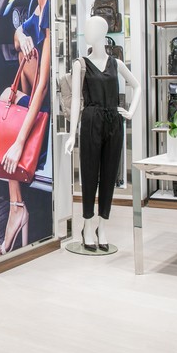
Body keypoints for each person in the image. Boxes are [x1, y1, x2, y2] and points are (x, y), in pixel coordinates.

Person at [65, 16, 141, 252]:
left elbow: (137, 85)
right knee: (89, 175)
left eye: (93, 27)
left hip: (113, 121)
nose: (88, 31)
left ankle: (103, 225)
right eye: (87, 27)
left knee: (109, 175)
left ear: (104, 32)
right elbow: (76, 100)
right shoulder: (80, 64)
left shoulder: (116, 63)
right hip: (90, 120)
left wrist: (130, 112)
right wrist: (72, 134)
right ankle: (88, 225)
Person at [0, 0, 51, 255]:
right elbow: (18, 39)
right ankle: (17, 207)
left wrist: (18, 143)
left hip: (42, 112)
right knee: (6, 92)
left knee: (7, 100)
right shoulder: (35, 5)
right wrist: (21, 34)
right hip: (33, 102)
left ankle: (17, 210)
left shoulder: (50, 8)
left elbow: (42, 85)